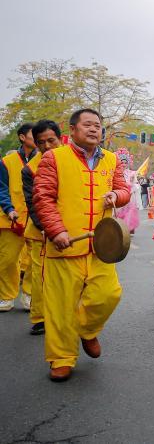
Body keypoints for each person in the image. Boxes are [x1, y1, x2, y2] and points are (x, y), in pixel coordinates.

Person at [33, 108, 130, 381]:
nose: (93, 129)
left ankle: (87, 330)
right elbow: (43, 198)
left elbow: (124, 189)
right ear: (72, 130)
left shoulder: (111, 160)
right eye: (87, 125)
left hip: (102, 246)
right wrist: (56, 231)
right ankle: (62, 358)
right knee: (60, 306)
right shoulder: (53, 158)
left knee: (109, 294)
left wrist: (116, 194)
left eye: (97, 125)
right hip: (64, 245)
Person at [21, 120, 62, 335]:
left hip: (72, 229)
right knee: (40, 276)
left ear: (61, 138)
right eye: (41, 142)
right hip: (41, 233)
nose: (46, 146)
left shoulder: (72, 159)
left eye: (51, 140)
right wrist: (49, 228)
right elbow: (33, 203)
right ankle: (40, 317)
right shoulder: (29, 169)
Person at [0, 123, 36, 312]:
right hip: (11, 218)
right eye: (33, 133)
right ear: (22, 137)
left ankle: (29, 294)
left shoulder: (46, 159)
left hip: (36, 219)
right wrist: (8, 209)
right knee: (7, 260)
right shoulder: (7, 161)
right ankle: (6, 296)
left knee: (35, 259)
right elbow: (2, 188)